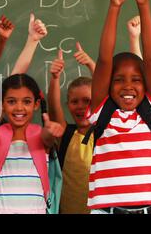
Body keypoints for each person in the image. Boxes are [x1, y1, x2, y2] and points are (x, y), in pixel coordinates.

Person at [87, 0, 151, 214]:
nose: (127, 86)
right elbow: (104, 60)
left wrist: (143, 5)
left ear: (146, 85)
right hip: (106, 210)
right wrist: (114, 7)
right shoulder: (101, 111)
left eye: (136, 80)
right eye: (118, 79)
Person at [0, 74, 64, 214]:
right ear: (1, 105)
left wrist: (51, 131)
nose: (19, 108)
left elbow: (48, 138)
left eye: (27, 102)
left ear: (36, 104)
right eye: (11, 101)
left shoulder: (41, 134)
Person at [48, 50, 93, 214]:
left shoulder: (105, 133)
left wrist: (91, 64)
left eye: (87, 101)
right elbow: (53, 109)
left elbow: (106, 96)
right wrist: (54, 78)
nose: (81, 106)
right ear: (68, 105)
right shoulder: (66, 134)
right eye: (75, 102)